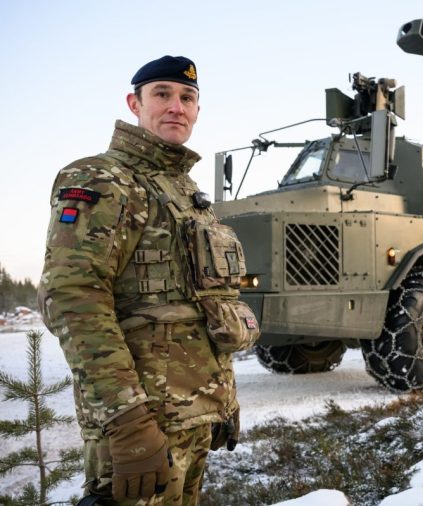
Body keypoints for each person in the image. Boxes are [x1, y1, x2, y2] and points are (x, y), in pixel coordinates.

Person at [38, 56, 259, 505]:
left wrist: (223, 402)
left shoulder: (185, 194)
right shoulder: (104, 178)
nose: (176, 106)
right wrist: (127, 420)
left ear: (197, 110)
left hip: (193, 420)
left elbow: (202, 305)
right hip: (143, 426)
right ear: (134, 103)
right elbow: (71, 297)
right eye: (162, 94)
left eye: (187, 97)